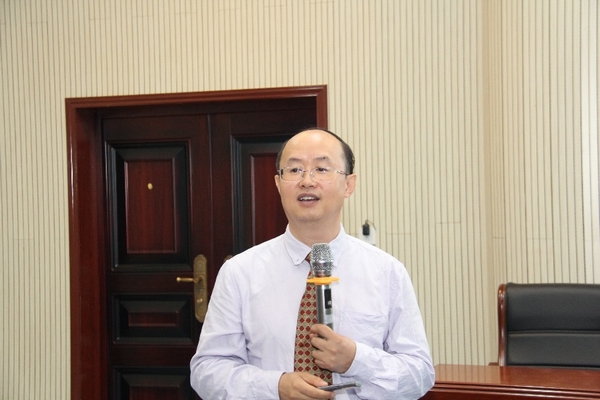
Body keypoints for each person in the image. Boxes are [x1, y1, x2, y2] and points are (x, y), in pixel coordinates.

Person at [190, 128, 435, 399]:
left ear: (349, 185)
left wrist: (356, 360)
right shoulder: (239, 273)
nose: (307, 181)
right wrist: (275, 387)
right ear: (278, 184)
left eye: (321, 169)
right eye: (295, 170)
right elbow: (207, 371)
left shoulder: (387, 272)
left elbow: (419, 375)